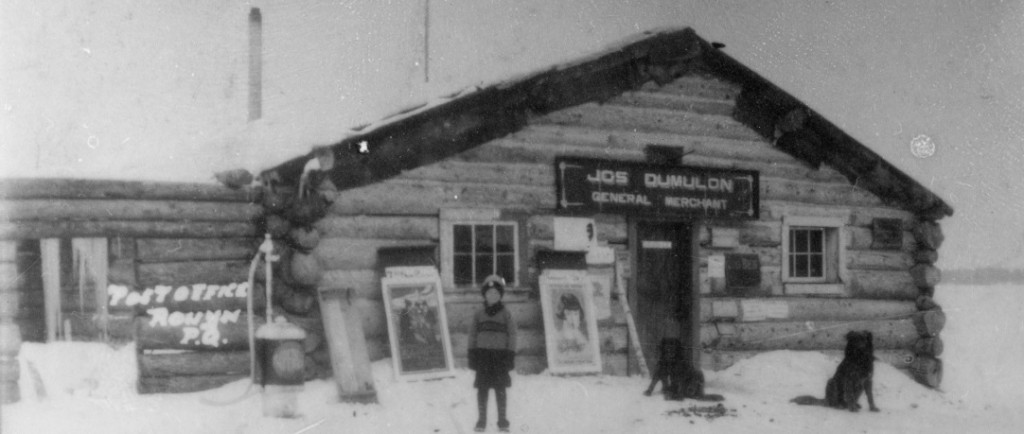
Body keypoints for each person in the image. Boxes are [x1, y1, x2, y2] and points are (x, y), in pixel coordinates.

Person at [467, 274, 517, 432]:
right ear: (484, 295)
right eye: (489, 293)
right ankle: (481, 420)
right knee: (482, 389)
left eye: (496, 293)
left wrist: (510, 354)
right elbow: (472, 334)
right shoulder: (479, 314)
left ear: (500, 295)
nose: (492, 296)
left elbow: (513, 335)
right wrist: (472, 354)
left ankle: (502, 421)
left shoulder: (506, 314)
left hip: (500, 358)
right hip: (483, 357)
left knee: (500, 389)